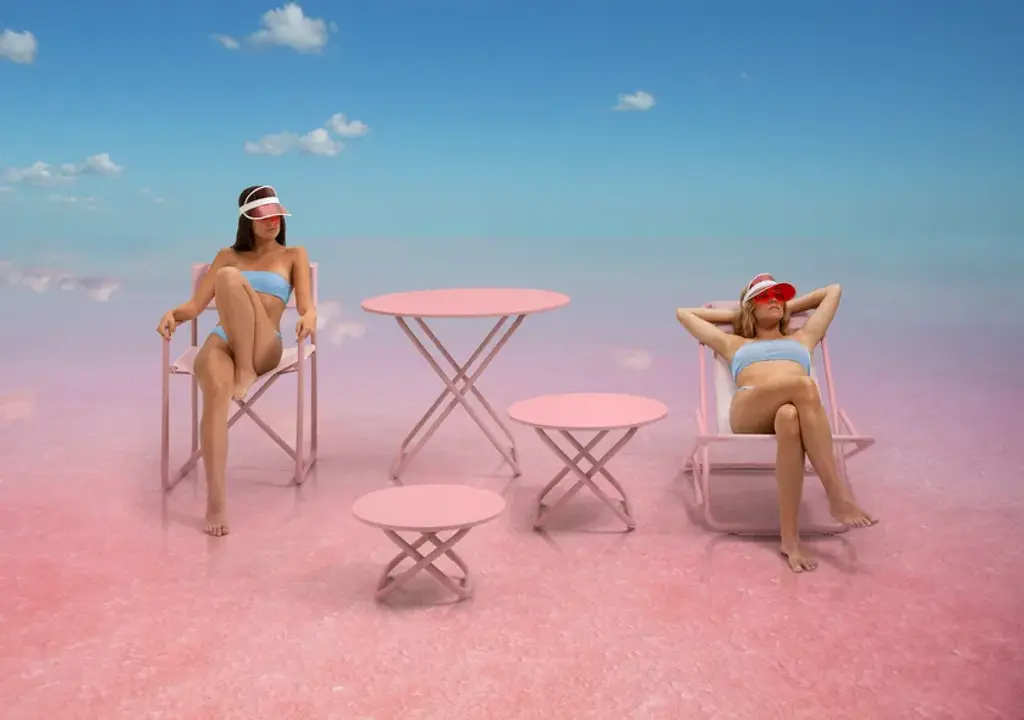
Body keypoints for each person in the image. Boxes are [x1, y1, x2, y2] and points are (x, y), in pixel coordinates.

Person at [675, 273, 877, 572]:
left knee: (789, 417)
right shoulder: (732, 343)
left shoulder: (803, 337)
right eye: (764, 297)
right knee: (804, 385)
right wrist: (739, 314)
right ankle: (837, 494)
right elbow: (684, 314)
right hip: (749, 410)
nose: (775, 301)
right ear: (749, 308)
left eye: (779, 297)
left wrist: (786, 308)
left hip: (792, 410)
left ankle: (790, 541)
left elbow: (833, 291)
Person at [156, 185, 317, 537]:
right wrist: (173, 314)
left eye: (277, 216)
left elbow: (306, 306)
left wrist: (309, 316)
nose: (273, 222)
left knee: (229, 277)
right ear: (247, 220)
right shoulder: (227, 255)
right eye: (264, 217)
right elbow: (195, 306)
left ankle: (245, 368)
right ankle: (216, 502)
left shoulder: (294, 255)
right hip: (222, 340)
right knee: (215, 395)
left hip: (265, 345)